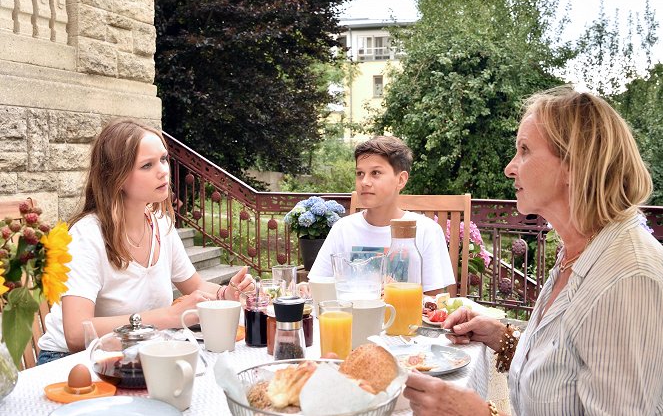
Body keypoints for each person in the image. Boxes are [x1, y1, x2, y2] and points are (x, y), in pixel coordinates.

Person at [404, 86, 663, 415]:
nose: (510, 168)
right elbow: (565, 365)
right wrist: (501, 336)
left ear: (573, 165)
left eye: (524, 150)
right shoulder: (580, 251)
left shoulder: (626, 280)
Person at [37, 119, 254, 364]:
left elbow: (195, 287)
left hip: (135, 356)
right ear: (116, 177)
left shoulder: (160, 223)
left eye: (163, 159)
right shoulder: (87, 235)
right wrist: (171, 316)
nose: (163, 171)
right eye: (147, 165)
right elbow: (77, 333)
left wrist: (229, 292)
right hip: (71, 360)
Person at [307, 135, 455, 295]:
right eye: (360, 173)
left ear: (401, 180)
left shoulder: (426, 230)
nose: (364, 182)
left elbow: (432, 300)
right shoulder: (343, 229)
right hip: (354, 317)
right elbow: (317, 285)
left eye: (375, 173)